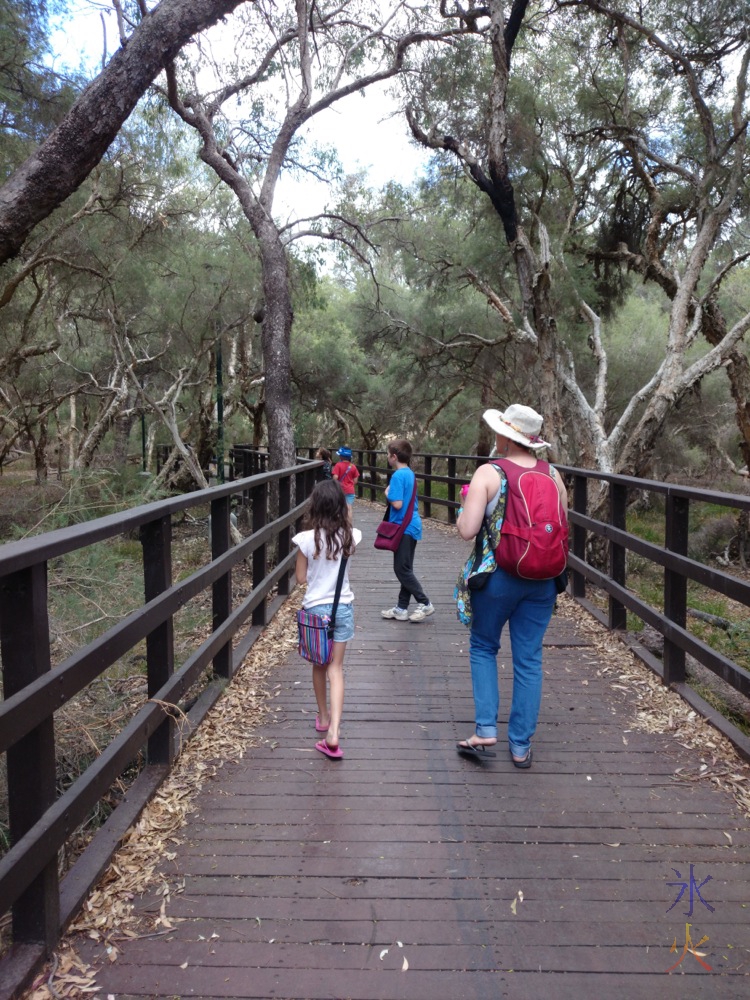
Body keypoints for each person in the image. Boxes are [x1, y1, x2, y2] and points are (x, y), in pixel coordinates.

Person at [456, 404, 568, 767]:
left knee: (484, 646)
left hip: (498, 577)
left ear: (506, 436)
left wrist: (467, 504)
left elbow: (466, 530)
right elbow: (561, 525)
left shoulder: (490, 473)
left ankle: (486, 728)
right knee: (529, 659)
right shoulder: (553, 474)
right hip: (543, 580)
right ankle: (520, 745)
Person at [293, 480, 362, 760]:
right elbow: (350, 523)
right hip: (342, 609)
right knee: (337, 668)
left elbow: (299, 578)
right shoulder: (350, 536)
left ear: (314, 506)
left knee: (319, 666)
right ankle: (334, 732)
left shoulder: (305, 540)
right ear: (340, 507)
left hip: (314, 612)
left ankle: (322, 717)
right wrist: (346, 512)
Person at [380, 438, 435, 623]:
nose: (387, 457)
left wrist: (387, 493)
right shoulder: (410, 473)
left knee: (401, 569)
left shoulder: (397, 476)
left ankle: (425, 602)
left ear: (394, 457)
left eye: (388, 454)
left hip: (403, 526)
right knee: (406, 568)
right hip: (412, 524)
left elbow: (397, 503)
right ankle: (401, 608)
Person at [332, 446, 359, 513]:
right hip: (350, 490)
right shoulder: (353, 466)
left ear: (341, 456)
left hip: (340, 490)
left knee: (339, 507)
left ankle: (340, 522)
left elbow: (335, 478)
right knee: (349, 508)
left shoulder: (338, 465)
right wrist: (349, 484)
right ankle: (349, 522)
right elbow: (355, 481)